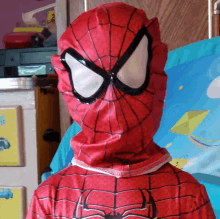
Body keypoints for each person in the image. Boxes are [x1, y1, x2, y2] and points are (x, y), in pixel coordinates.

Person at [26, 3, 216, 218]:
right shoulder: (50, 197)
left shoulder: (188, 194)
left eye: (130, 77)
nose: (112, 100)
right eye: (91, 83)